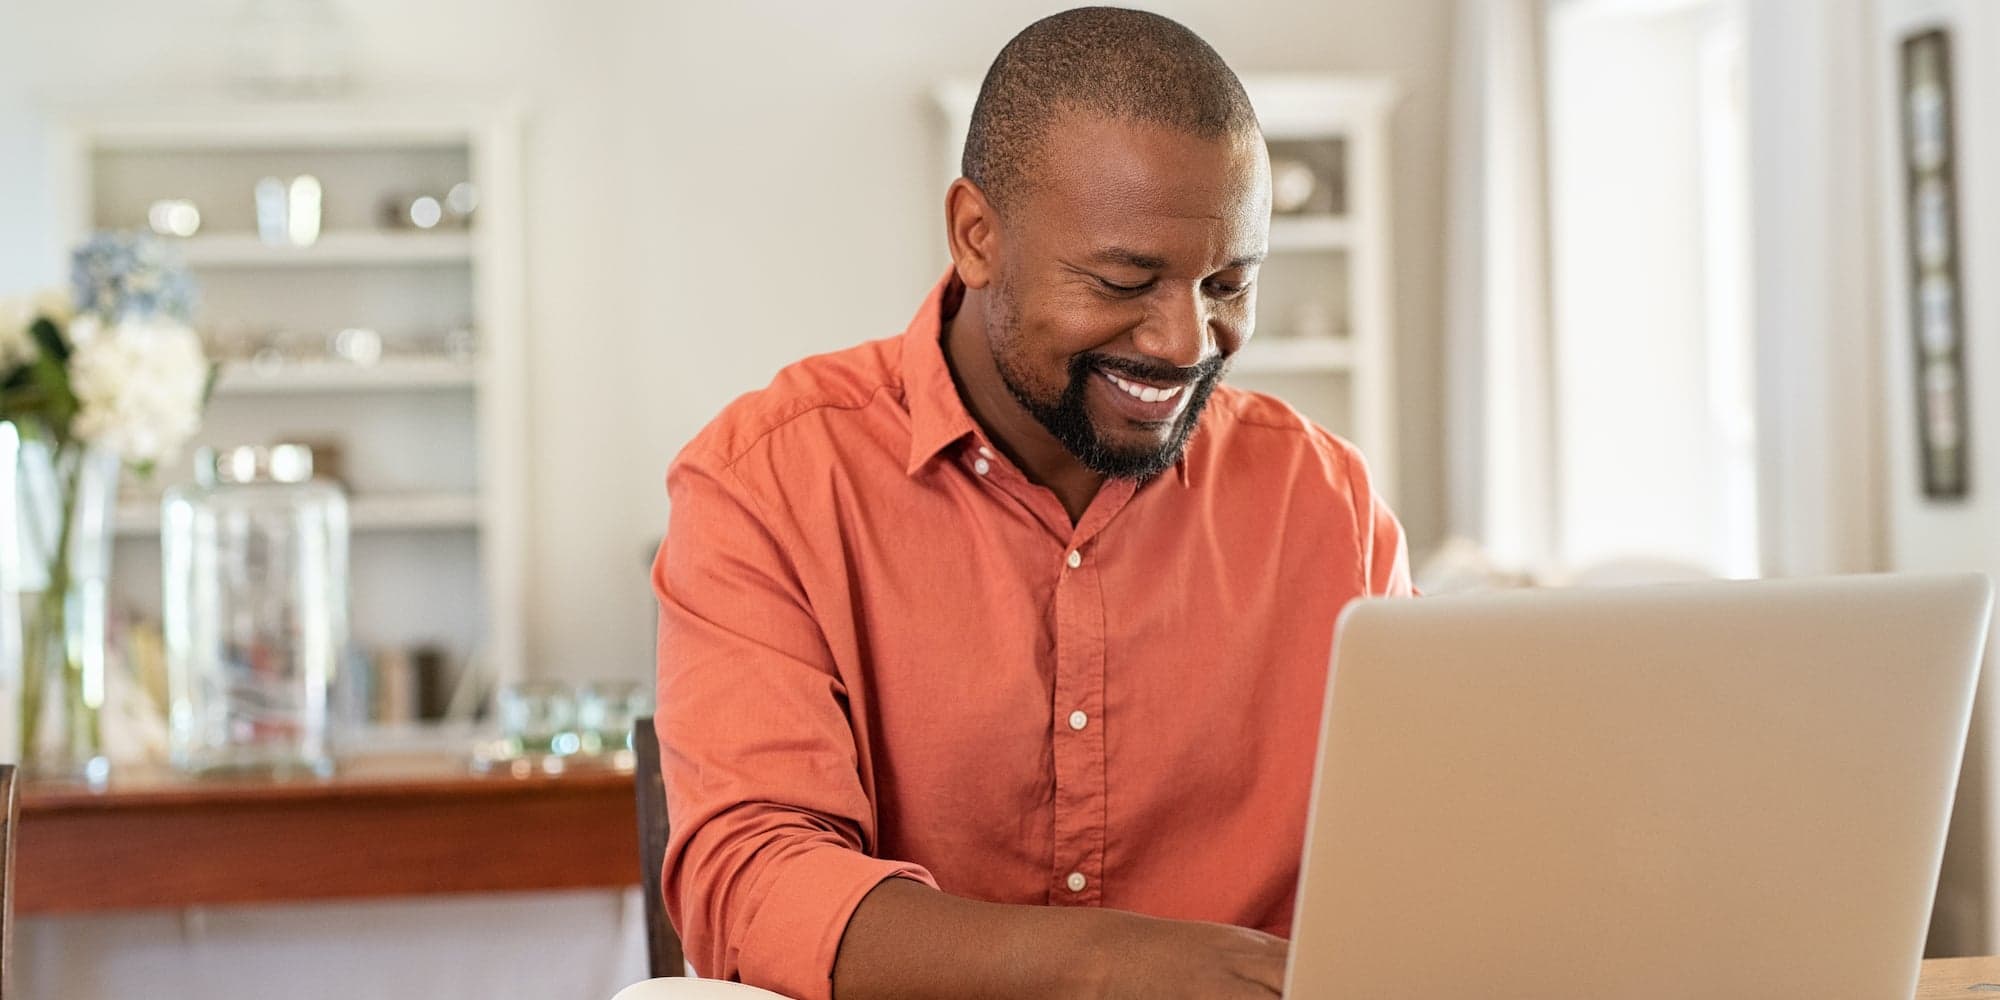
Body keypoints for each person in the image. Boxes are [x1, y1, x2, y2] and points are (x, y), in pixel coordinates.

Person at [653, 8, 1413, 999]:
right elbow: (750, 888)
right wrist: (1115, 964)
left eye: (1229, 281)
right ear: (976, 236)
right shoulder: (767, 481)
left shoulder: (1328, 506)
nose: (1188, 341)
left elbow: (1410, 871)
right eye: (1123, 278)